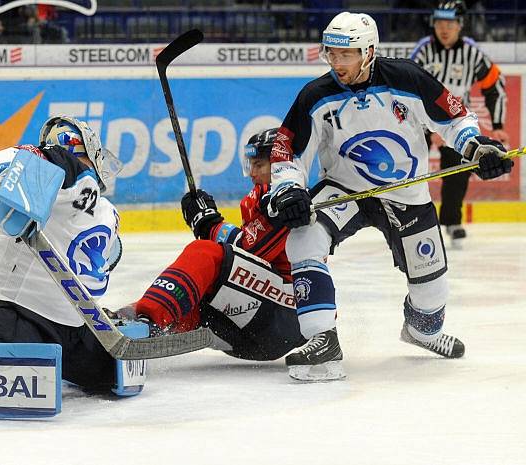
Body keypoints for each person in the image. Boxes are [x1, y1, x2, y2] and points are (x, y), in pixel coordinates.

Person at [267, 11, 513, 381]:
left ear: (368, 52)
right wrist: (288, 189)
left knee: (431, 295)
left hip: (406, 191)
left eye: (345, 54)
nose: (337, 63)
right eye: (331, 54)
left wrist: (477, 148)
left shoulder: (407, 78)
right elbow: (287, 151)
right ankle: (323, 341)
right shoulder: (315, 96)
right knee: (304, 237)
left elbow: (455, 118)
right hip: (344, 189)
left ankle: (421, 330)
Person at [0, 116, 125, 392]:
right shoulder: (60, 176)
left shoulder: (106, 211)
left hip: (74, 324)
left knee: (112, 373)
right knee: (13, 377)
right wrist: (17, 177)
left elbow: (108, 257)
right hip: (13, 310)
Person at [118, 128, 305, 361]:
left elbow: (250, 250)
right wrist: (208, 223)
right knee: (195, 291)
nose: (252, 173)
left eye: (259, 165)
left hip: (285, 316)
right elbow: (248, 257)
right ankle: (129, 326)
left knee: (204, 253)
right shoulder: (258, 197)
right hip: (254, 327)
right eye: (250, 165)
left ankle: (148, 321)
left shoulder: (289, 199)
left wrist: (209, 224)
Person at [411, 0, 509, 248]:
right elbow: (408, 88)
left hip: (455, 121)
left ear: (460, 25)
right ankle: (409, 222)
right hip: (419, 120)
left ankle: (452, 221)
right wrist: (427, 127)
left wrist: (497, 124)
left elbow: (495, 85)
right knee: (411, 170)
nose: (444, 28)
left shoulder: (472, 53)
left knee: (458, 172)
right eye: (440, 23)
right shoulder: (423, 51)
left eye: (450, 23)